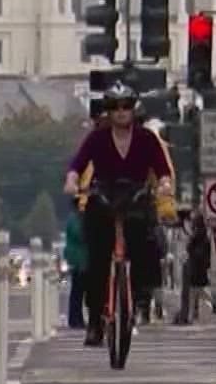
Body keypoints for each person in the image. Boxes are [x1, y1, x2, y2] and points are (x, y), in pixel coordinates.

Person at [62, 84, 174, 346]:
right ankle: (95, 323)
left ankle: (139, 294)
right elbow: (78, 164)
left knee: (146, 242)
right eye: (115, 107)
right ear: (108, 112)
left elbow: (162, 168)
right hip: (104, 195)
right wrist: (72, 181)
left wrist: (165, 184)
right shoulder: (97, 138)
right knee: (98, 261)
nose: (121, 112)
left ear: (133, 110)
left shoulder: (147, 138)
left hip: (135, 195)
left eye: (126, 106)